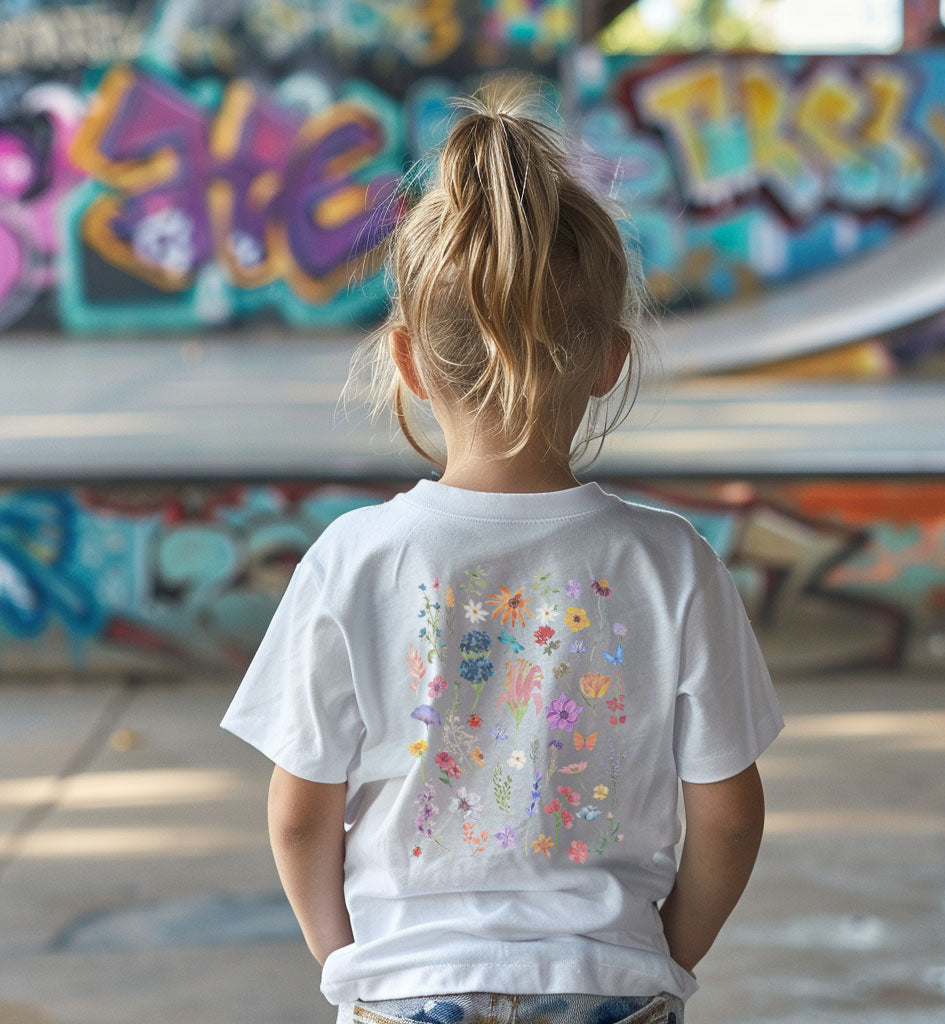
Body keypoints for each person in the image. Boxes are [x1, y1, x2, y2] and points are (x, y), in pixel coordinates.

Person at [221, 75, 784, 1024]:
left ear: (404, 360)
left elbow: (298, 811)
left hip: (407, 987)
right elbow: (729, 813)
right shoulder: (671, 562)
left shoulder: (351, 558)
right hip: (610, 984)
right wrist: (661, 957)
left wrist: (349, 966)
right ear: (612, 359)